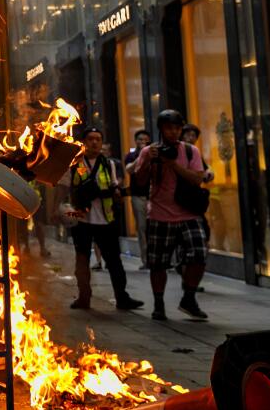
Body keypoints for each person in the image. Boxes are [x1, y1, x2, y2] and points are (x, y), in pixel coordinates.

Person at [132, 109, 210, 321]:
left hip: (188, 214)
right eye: (169, 128)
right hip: (159, 214)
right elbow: (139, 182)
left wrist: (173, 164)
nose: (174, 132)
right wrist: (150, 161)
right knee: (158, 263)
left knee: (199, 255)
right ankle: (158, 304)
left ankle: (189, 298)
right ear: (161, 129)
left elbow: (197, 179)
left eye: (177, 128)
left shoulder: (191, 151)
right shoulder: (149, 151)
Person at [62, 128, 143, 311]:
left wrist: (118, 195)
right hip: (81, 221)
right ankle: (84, 297)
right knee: (82, 261)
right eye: (90, 139)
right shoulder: (76, 164)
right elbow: (69, 188)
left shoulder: (108, 164)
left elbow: (114, 187)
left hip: (105, 221)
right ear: (84, 142)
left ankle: (122, 298)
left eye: (98, 139)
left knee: (114, 261)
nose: (95, 143)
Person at [124, 128, 153, 269]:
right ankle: (145, 259)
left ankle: (157, 258)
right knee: (142, 227)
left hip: (153, 196)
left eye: (145, 140)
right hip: (138, 196)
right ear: (136, 141)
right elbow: (129, 169)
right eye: (140, 139)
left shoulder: (154, 155)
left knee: (154, 228)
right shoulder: (131, 155)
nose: (143, 142)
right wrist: (141, 156)